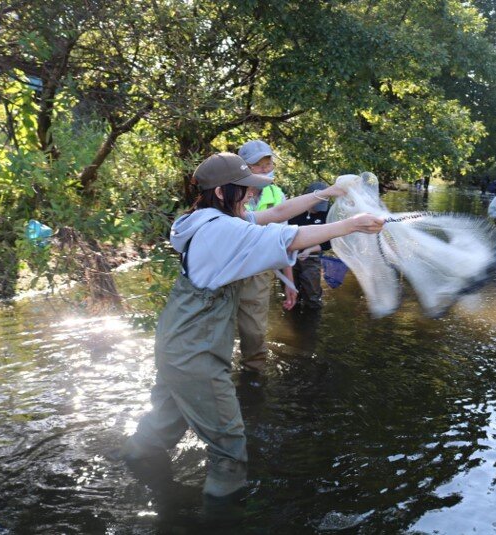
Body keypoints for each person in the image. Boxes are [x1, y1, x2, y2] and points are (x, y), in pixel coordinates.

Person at [117, 152, 384, 499]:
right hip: (196, 354)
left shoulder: (201, 219)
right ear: (220, 192)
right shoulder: (225, 229)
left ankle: (132, 465)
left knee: (163, 423)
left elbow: (275, 215)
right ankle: (221, 516)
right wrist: (351, 224)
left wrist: (327, 193)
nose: (251, 194)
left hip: (174, 344)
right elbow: (290, 237)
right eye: (243, 188)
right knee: (229, 444)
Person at [235, 139, 295, 370]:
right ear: (244, 168)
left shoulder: (277, 195)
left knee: (254, 330)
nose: (266, 169)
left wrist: (289, 281)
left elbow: (285, 241)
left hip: (258, 270)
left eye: (268, 163)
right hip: (226, 267)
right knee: (216, 323)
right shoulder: (229, 192)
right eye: (258, 165)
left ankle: (253, 374)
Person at [287, 181, 331, 310]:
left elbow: (329, 242)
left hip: (312, 257)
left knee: (312, 296)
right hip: (289, 256)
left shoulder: (328, 214)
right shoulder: (292, 210)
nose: (317, 210)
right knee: (291, 294)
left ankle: (313, 323)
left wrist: (309, 250)